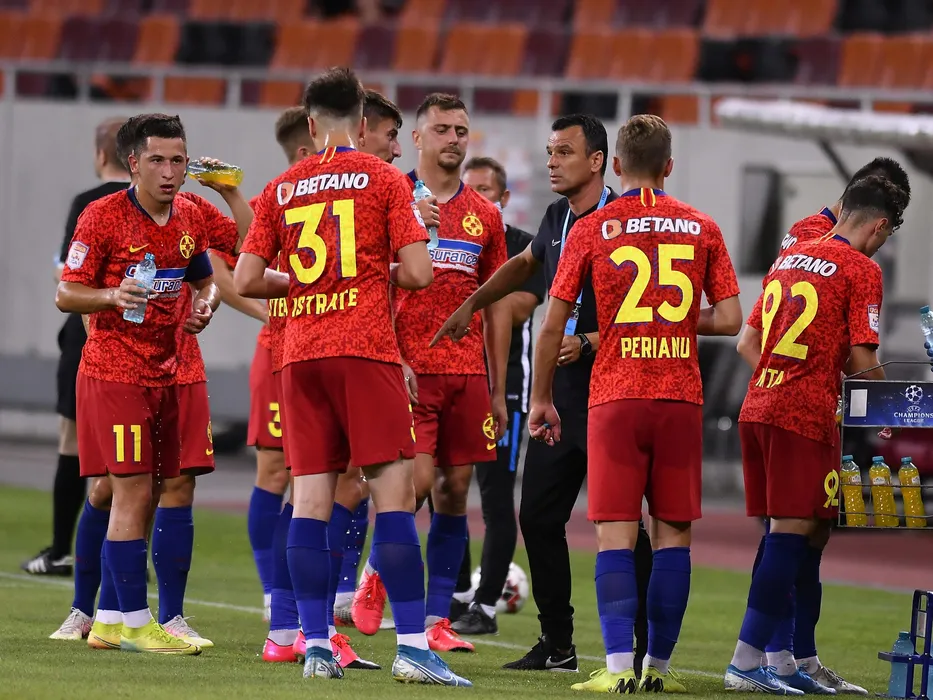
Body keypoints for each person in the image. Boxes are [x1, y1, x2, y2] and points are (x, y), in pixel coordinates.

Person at [234, 67, 470, 686]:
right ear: (363, 124)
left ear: (311, 125)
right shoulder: (385, 178)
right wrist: (366, 273)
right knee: (393, 497)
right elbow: (419, 273)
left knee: (309, 501)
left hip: (301, 356)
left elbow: (246, 279)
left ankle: (313, 644)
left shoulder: (283, 185)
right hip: (365, 350)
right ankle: (413, 647)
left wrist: (305, 281)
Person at [432, 114, 655, 674]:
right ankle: (558, 644)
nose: (552, 162)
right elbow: (524, 263)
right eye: (550, 152)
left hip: (615, 392)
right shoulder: (557, 217)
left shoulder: (627, 221)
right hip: (561, 396)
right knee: (536, 516)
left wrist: (590, 340)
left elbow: (656, 312)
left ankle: (645, 647)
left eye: (564, 152)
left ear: (598, 161)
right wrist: (472, 303)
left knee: (624, 526)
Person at [530, 114, 742, 692]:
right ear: (669, 166)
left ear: (617, 165)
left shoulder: (592, 228)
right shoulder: (701, 226)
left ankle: (619, 668)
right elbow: (730, 318)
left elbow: (551, 326)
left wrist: (543, 397)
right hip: (678, 397)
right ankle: (659, 671)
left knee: (616, 536)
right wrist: (672, 318)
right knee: (673, 537)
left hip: (615, 397)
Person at [726, 175, 908, 694]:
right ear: (880, 225)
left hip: (758, 406)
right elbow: (863, 358)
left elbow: (750, 341)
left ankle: (787, 664)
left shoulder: (791, 256)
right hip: (803, 414)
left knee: (795, 533)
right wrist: (893, 408)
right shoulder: (862, 268)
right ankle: (745, 663)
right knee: (792, 533)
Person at [350, 93, 511, 655]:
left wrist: (497, 388)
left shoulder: (485, 215)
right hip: (407, 370)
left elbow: (495, 305)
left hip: (465, 373)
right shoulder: (388, 197)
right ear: (416, 138)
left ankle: (439, 618)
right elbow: (365, 282)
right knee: (411, 486)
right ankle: (376, 572)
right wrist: (388, 355)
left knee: (454, 491)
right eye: (441, 129)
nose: (453, 139)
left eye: (461, 130)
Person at [55, 113, 220, 655]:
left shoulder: (191, 213)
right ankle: (133, 623)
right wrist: (111, 295)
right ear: (133, 163)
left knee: (168, 486)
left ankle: (111, 622)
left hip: (174, 371)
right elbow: (67, 293)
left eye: (178, 160)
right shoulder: (101, 216)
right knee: (129, 492)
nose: (170, 172)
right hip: (117, 371)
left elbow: (208, 277)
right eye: (157, 160)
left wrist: (206, 303)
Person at [22, 118, 131, 578]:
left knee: (73, 440)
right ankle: (128, 551)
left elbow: (68, 273)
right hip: (148, 340)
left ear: (101, 153)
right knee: (134, 451)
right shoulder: (159, 204)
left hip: (89, 334)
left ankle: (60, 550)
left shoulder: (90, 202)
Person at [447, 156, 545, 635]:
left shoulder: (525, 247)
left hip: (505, 390)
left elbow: (516, 309)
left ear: (504, 198)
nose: (478, 198)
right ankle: (457, 594)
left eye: (486, 190)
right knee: (448, 489)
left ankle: (485, 606)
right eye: (471, 190)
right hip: (455, 381)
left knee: (495, 497)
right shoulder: (453, 243)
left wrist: (472, 291)